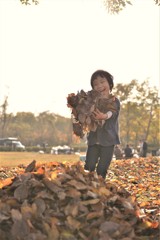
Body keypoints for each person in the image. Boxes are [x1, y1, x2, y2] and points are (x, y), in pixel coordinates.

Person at [84, 70, 120, 179]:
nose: (99, 85)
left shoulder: (114, 100)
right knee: (89, 165)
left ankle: (100, 185)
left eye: (102, 82)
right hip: (94, 139)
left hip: (108, 140)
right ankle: (87, 184)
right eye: (95, 84)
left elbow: (112, 113)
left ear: (109, 84)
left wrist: (104, 116)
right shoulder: (93, 101)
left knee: (102, 167)